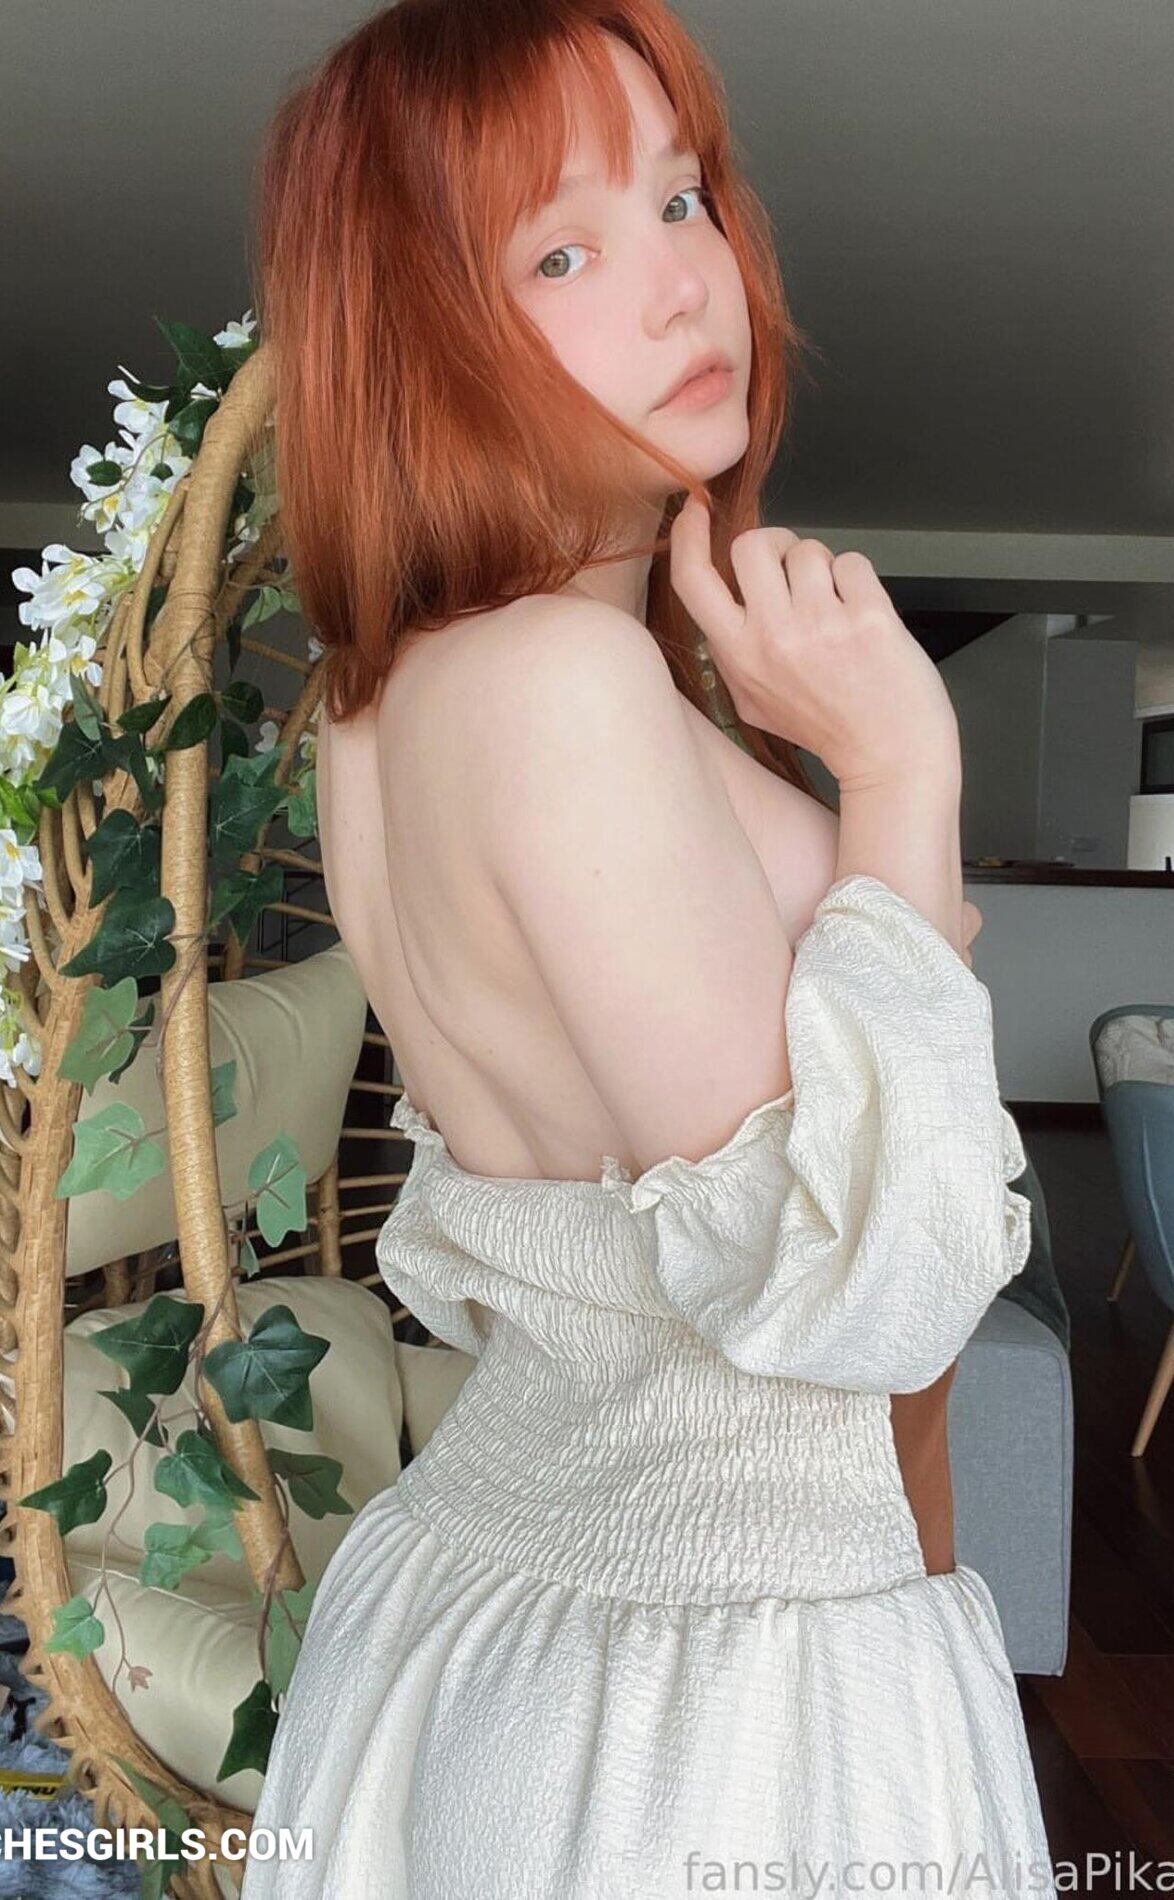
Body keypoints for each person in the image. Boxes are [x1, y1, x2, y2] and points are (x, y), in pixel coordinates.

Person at [242, 1, 1056, 1894]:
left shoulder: (392, 699)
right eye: (561, 251)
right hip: (707, 1691)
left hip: (526, 1601)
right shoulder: (560, 681)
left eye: (681, 200)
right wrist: (897, 767)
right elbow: (865, 1301)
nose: (686, 283)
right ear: (421, 329)